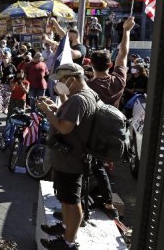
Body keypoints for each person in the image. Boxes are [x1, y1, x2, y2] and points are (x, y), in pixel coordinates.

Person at [36, 63, 95, 250]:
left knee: (72, 201)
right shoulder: (79, 97)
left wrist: (47, 112)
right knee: (66, 199)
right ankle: (64, 228)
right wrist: (55, 109)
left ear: (73, 78)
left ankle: (69, 242)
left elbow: (64, 127)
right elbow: (66, 119)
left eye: (62, 79)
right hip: (67, 158)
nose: (59, 83)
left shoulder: (79, 100)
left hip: (71, 159)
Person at [84, 16, 134, 220]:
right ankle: (107, 202)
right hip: (111, 133)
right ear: (110, 64)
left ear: (92, 66)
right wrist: (127, 30)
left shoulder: (88, 86)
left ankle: (79, 204)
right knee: (100, 168)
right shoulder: (119, 81)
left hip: (91, 134)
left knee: (85, 168)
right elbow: (124, 53)